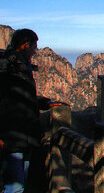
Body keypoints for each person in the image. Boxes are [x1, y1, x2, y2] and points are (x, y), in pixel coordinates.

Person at [0, 29, 52, 193]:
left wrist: (45, 103)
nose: (35, 51)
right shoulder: (6, 68)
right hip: (12, 138)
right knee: (15, 187)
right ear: (24, 45)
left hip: (26, 136)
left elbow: (23, 98)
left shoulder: (21, 67)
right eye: (34, 47)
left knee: (19, 184)